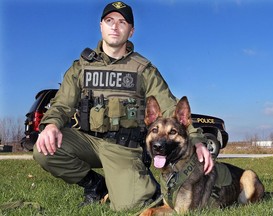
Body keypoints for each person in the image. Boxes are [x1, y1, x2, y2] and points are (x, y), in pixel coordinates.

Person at [33, 1, 213, 211]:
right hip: (87, 141)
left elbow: (170, 108)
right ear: (101, 26)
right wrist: (52, 125)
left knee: (128, 205)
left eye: (122, 22)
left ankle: (144, 185)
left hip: (123, 147)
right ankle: (95, 185)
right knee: (43, 149)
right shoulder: (81, 67)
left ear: (131, 30)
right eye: (109, 21)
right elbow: (62, 104)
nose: (115, 27)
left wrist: (198, 141)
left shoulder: (143, 69)